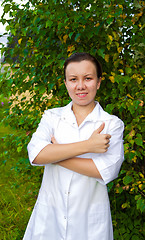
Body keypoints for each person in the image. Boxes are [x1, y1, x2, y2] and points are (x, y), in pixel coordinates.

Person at [23, 52, 124, 240]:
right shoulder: (52, 117)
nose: (80, 86)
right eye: (73, 79)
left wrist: (55, 154)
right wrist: (88, 145)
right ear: (66, 83)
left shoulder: (112, 123)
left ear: (99, 82)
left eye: (88, 78)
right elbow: (35, 155)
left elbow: (106, 171)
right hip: (49, 217)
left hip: (89, 222)